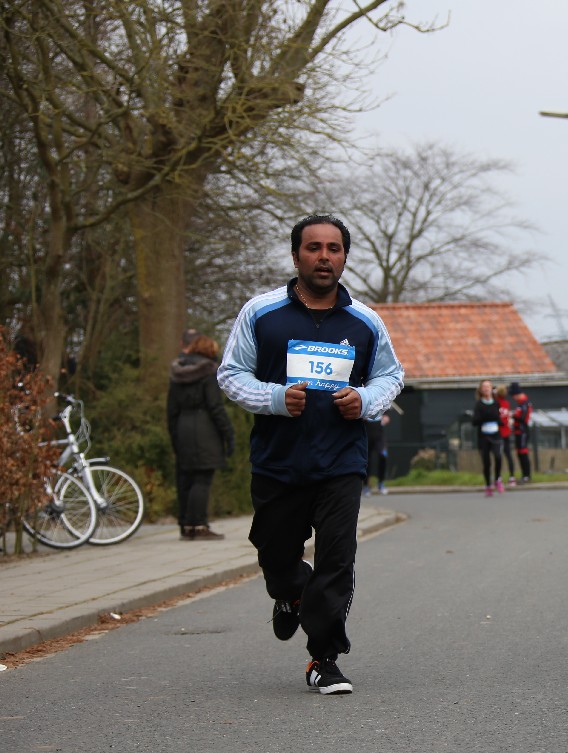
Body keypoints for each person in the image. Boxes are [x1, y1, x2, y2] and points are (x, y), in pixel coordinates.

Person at [218, 213, 404, 695]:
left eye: (334, 249)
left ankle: (324, 658)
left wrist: (366, 400)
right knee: (276, 555)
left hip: (341, 461)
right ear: (296, 254)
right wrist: (275, 398)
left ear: (344, 257)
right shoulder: (261, 313)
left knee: (337, 559)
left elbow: (390, 375)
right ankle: (290, 594)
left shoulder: (365, 321)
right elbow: (231, 374)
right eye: (314, 247)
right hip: (278, 460)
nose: (324, 257)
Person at [167, 332, 234, 540]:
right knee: (202, 479)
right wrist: (228, 434)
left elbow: (171, 409)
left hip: (183, 427)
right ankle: (199, 526)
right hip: (205, 429)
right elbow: (215, 407)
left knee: (185, 478)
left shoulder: (177, 373)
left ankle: (186, 526)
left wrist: (174, 435)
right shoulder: (208, 372)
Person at [472, 379, 505, 496]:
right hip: (484, 437)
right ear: (481, 390)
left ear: (492, 389)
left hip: (495, 435)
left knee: (498, 457)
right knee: (486, 462)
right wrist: (486, 417)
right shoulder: (479, 405)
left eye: (488, 386)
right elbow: (475, 421)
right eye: (484, 387)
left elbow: (499, 418)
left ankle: (497, 479)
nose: (486, 389)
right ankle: (488, 485)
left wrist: (501, 421)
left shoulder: (496, 403)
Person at [509, 383, 534, 483]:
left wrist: (512, 416)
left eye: (514, 395)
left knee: (523, 452)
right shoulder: (520, 404)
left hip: (523, 431)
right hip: (518, 431)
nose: (513, 397)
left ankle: (526, 475)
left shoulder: (524, 403)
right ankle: (524, 475)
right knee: (519, 453)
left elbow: (522, 418)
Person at [495, 384, 517, 487]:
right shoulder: (506, 403)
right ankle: (512, 477)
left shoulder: (495, 403)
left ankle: (498, 477)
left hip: (499, 433)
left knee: (498, 456)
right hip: (506, 433)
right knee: (508, 455)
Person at [363, 412, 389, 495]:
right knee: (367, 460)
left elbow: (386, 415)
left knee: (383, 456)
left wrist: (386, 417)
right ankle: (366, 486)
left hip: (379, 436)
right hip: (366, 435)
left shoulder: (382, 405)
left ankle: (381, 483)